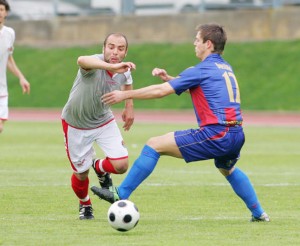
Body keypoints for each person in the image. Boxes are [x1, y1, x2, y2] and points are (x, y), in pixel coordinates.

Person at [91, 24, 270, 222]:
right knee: (227, 168)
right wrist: (170, 79)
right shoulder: (225, 67)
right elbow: (202, 89)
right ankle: (259, 213)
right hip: (236, 133)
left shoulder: (201, 69)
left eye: (197, 39)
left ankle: (120, 193)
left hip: (216, 133)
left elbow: (160, 92)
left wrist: (125, 94)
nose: (194, 43)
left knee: (154, 145)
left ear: (208, 44)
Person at [61, 33, 136, 220]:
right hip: (76, 124)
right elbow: (81, 59)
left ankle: (99, 167)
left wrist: (129, 107)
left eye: (120, 48)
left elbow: (127, 82)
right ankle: (85, 204)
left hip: (104, 120)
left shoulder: (124, 69)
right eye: (111, 47)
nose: (115, 52)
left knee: (121, 165)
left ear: (126, 52)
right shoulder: (94, 63)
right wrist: (111, 66)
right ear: (103, 48)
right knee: (80, 174)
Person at [0, 0, 30, 133]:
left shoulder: (9, 33)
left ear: (6, 12)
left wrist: (21, 77)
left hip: (2, 88)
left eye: (1, 10)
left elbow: (8, 59)